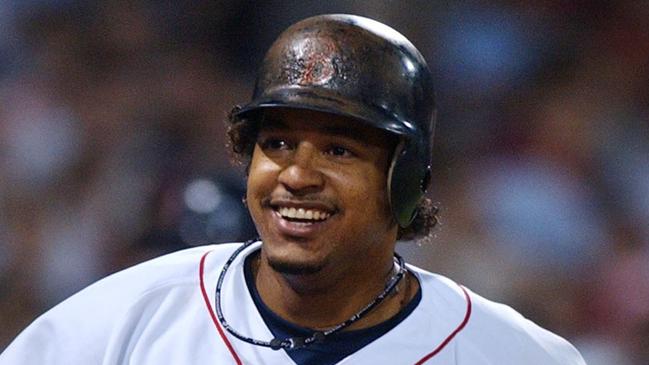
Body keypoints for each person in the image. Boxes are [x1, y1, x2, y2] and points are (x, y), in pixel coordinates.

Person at [0, 14, 586, 365]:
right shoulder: (120, 323)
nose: (297, 175)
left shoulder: (509, 353)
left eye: (339, 149)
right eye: (277, 144)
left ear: (406, 179)